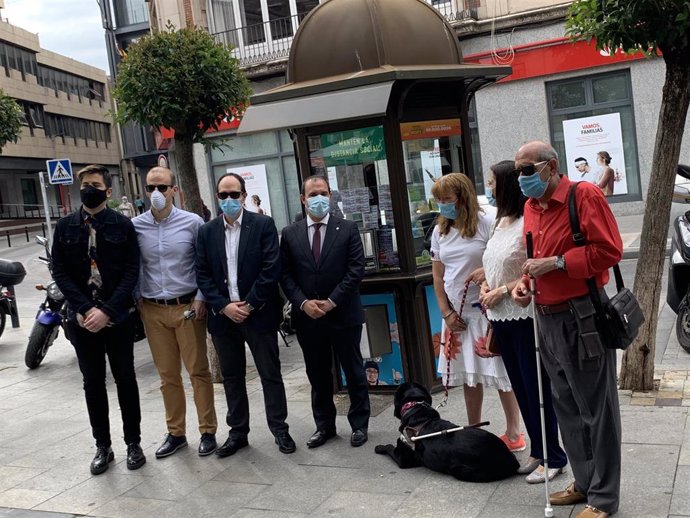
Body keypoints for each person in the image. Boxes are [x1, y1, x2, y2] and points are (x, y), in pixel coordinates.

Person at [512, 141, 623, 518]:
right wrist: (524, 285)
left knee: (597, 408)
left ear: (551, 165)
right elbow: (533, 263)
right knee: (567, 407)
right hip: (546, 317)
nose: (522, 178)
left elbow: (609, 251)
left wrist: (557, 262)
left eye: (528, 170)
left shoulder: (584, 195)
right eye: (518, 172)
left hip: (583, 315)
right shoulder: (530, 207)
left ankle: (604, 497)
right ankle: (585, 481)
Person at [51, 164, 145, 475]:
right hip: (82, 320)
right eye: (85, 185)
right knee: (92, 382)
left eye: (95, 184)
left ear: (108, 190)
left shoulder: (122, 224)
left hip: (118, 317)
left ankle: (134, 442)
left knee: (125, 380)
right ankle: (102, 446)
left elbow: (132, 270)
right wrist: (84, 308)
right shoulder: (65, 226)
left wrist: (107, 310)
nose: (88, 189)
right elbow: (59, 271)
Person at [480, 160, 568, 484]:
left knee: (537, 389)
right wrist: (485, 285)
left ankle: (555, 455)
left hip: (523, 314)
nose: (488, 188)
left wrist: (502, 289)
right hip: (499, 316)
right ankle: (538, 450)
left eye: (491, 182)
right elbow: (490, 263)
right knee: (520, 386)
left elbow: (531, 267)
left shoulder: (526, 223)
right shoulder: (499, 222)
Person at [195, 172, 295, 457]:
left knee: (270, 374)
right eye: (223, 195)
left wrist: (249, 304)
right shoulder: (206, 231)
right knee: (232, 377)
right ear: (218, 197)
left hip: (258, 313)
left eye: (233, 194)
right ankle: (238, 432)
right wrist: (224, 306)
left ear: (243, 195)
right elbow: (202, 274)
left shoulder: (262, 225)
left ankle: (280, 429)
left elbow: (270, 269)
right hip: (223, 316)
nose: (229, 199)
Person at [429, 172, 524, 452]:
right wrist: (445, 311)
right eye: (439, 200)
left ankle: (514, 432)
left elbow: (501, 260)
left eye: (447, 199)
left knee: (500, 372)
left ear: (463, 198)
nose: (442, 205)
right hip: (456, 315)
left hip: (486, 309)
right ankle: (474, 429)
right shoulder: (440, 231)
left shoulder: (487, 222)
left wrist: (487, 284)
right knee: (469, 374)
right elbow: (437, 277)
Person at [132, 166, 217, 459]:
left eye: (162, 187)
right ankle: (176, 433)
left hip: (187, 307)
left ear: (174, 189)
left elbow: (204, 263)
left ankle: (208, 431)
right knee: (168, 376)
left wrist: (201, 297)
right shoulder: (136, 226)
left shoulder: (192, 223)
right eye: (150, 188)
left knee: (198, 372)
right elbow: (135, 267)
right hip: (153, 309)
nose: (156, 193)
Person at [281, 175, 370, 449]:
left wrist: (331, 301)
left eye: (323, 192)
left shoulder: (347, 228)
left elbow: (356, 269)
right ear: (303, 199)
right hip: (309, 319)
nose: (318, 198)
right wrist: (303, 303)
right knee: (318, 376)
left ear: (330, 196)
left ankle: (359, 425)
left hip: (343, 314)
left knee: (353, 371)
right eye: (313, 193)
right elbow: (284, 275)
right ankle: (324, 426)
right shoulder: (290, 233)